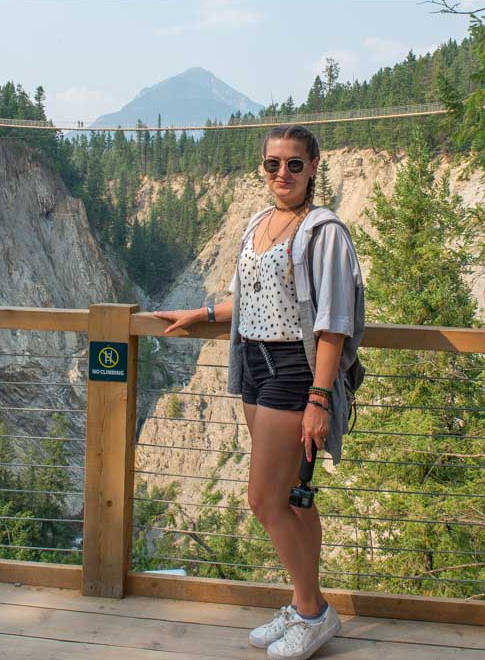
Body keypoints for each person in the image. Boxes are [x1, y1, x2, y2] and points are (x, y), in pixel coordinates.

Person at [154, 124, 365, 660]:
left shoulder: (324, 231)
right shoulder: (258, 224)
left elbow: (333, 321)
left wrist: (319, 398)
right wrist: (200, 313)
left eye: (294, 164)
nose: (282, 174)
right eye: (273, 164)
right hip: (251, 360)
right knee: (295, 493)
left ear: (314, 167)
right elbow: (248, 300)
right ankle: (302, 603)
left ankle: (316, 613)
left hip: (295, 370)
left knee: (262, 498)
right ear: (262, 167)